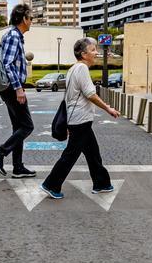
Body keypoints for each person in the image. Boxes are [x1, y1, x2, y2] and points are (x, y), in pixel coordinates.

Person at [40, 38, 121, 199]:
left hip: (77, 119)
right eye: (93, 50)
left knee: (93, 153)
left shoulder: (73, 69)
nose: (96, 52)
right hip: (80, 120)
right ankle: (51, 184)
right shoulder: (82, 68)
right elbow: (90, 94)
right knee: (70, 155)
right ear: (83, 54)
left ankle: (102, 183)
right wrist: (108, 108)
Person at [0, 4, 36, 178]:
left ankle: (18, 167)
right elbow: (7, 65)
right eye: (30, 18)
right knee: (27, 126)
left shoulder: (15, 36)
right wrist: (18, 89)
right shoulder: (14, 36)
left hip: (10, 87)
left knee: (18, 127)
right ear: (23, 18)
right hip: (11, 87)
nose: (32, 21)